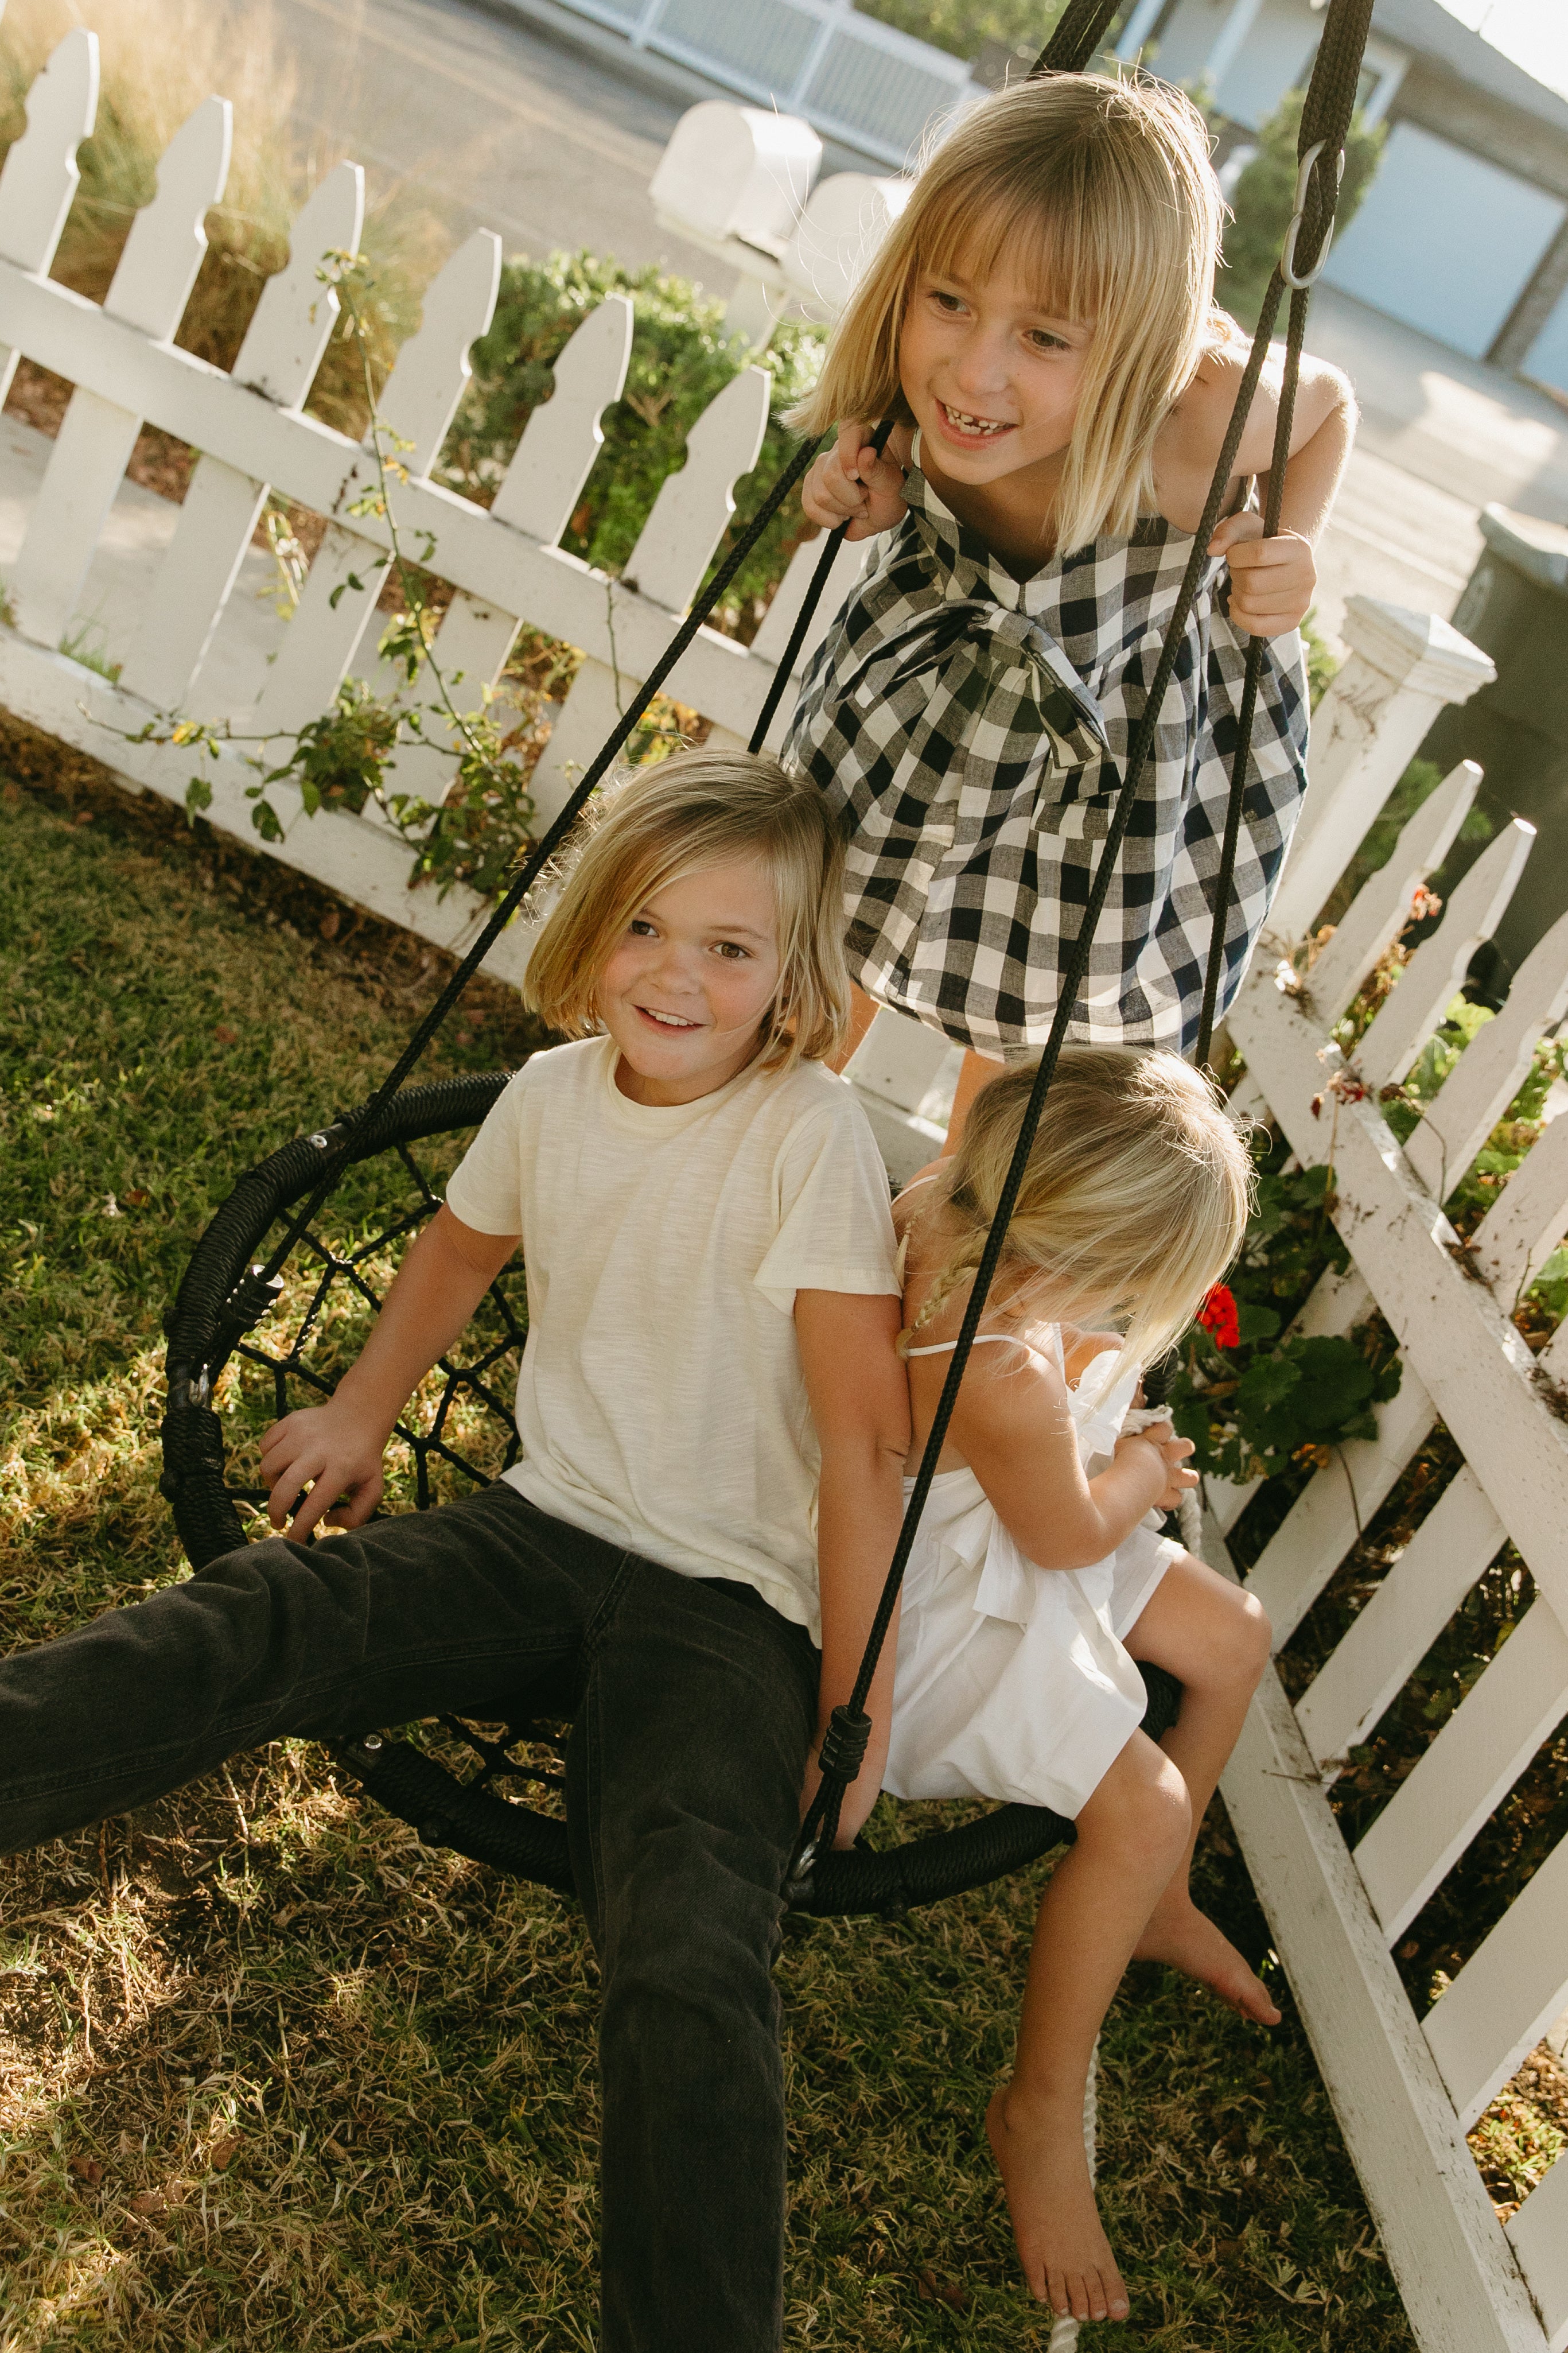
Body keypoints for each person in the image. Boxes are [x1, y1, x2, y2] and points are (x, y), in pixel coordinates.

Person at [0, 748, 912, 2353]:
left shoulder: (807, 1133)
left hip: (730, 1613)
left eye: (730, 946)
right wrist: (362, 1406)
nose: (675, 976)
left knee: (692, 1929)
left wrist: (855, 1710)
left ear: (794, 981)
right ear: (593, 929)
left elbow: (859, 1440)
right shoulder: (552, 1095)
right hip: (534, 1533)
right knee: (268, 1612)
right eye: (646, 926)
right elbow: (460, 1241)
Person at [786, 71, 1357, 1141]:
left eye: (1044, 338)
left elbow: (1328, 403)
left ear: (1144, 349)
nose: (974, 368)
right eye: (948, 300)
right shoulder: (929, 413)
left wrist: (1293, 540)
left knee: (1032, 1039)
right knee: (824, 925)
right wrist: (854, 482)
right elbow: (882, 458)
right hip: (930, 722)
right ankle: (745, 1149)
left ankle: (973, 1241)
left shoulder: (1200, 433)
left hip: (1114, 763)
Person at [884, 1047, 1277, 2325]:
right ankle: (1038, 2106)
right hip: (948, 1615)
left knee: (1231, 1633)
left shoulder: (956, 1206)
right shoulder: (988, 1361)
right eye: (1129, 1288)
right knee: (1145, 1795)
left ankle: (1152, 1900)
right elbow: (1065, 1532)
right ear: (1074, 1252)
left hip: (993, 1531)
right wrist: (1147, 1482)